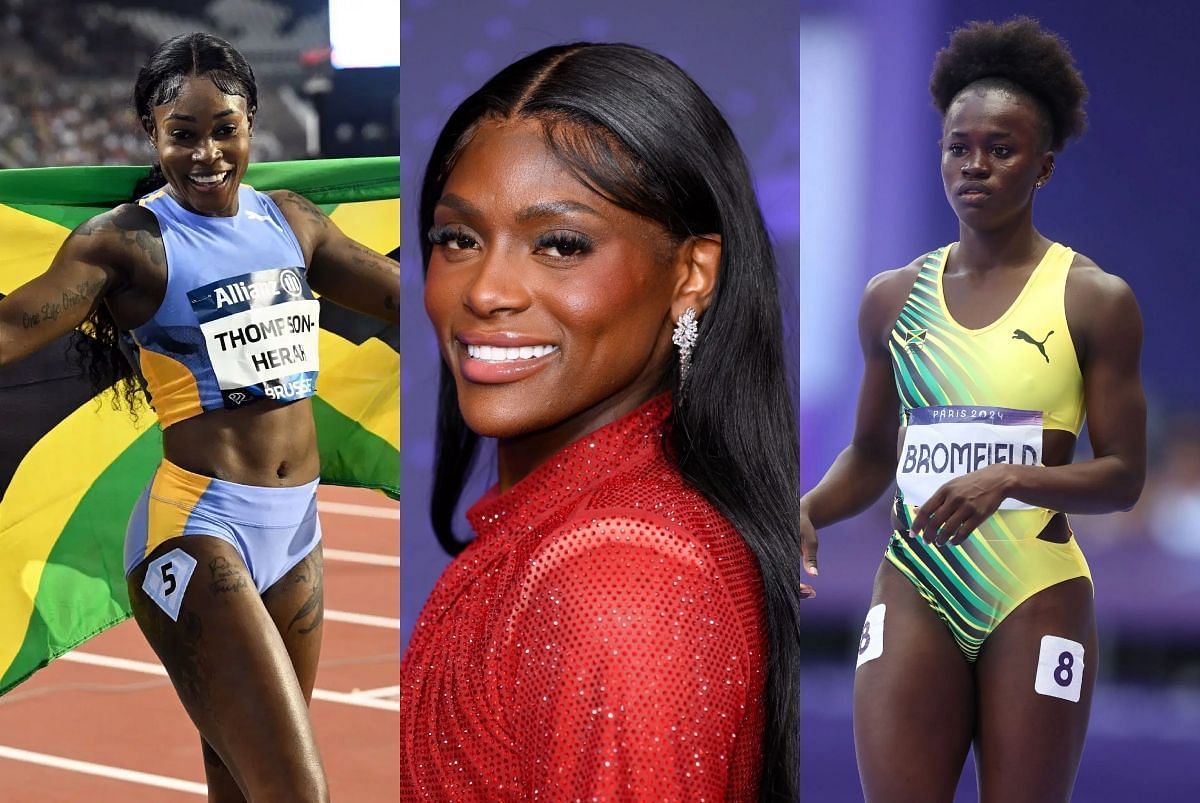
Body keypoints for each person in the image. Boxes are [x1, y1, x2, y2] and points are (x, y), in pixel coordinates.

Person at [400, 43, 804, 801]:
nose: (485, 290)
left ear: (692, 275)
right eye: (458, 238)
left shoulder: (616, 579)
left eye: (560, 244)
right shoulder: (586, 537)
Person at [0, 33, 398, 801]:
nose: (207, 153)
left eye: (225, 129)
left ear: (251, 123)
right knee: (294, 790)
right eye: (183, 134)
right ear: (152, 133)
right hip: (196, 530)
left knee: (241, 784)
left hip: (297, 533)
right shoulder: (129, 243)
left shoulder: (294, 223)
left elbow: (404, 297)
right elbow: (13, 329)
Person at [797, 17, 1146, 803]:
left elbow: (1123, 478)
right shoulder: (893, 298)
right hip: (915, 583)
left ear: (1044, 166)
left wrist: (1011, 479)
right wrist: (809, 505)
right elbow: (870, 456)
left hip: (1035, 589)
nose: (975, 166)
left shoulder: (1093, 299)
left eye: (1002, 148)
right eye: (960, 146)